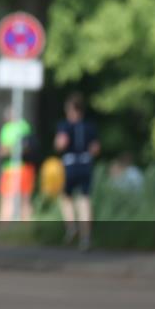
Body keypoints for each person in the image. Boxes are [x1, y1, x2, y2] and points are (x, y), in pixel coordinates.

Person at [54, 93, 100, 251]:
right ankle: (85, 238)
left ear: (72, 110)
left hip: (70, 164)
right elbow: (95, 149)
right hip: (86, 164)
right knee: (85, 200)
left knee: (65, 196)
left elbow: (61, 143)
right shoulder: (90, 126)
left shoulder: (65, 125)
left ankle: (71, 225)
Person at [0, 106, 36, 222]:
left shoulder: (7, 128)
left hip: (11, 169)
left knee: (6, 199)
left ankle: (4, 230)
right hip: (27, 168)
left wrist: (7, 150)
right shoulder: (25, 126)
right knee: (25, 200)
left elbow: (3, 150)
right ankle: (26, 230)